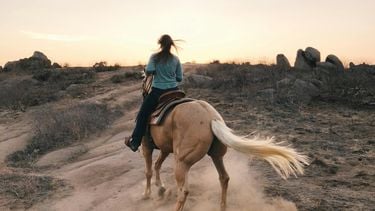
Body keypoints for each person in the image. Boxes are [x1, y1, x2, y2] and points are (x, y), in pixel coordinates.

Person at [125, 34, 183, 152]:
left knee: (142, 114)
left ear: (160, 44)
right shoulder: (176, 59)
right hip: (175, 92)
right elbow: (179, 78)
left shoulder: (155, 57)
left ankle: (135, 142)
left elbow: (150, 71)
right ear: (171, 45)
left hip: (158, 92)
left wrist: (148, 69)